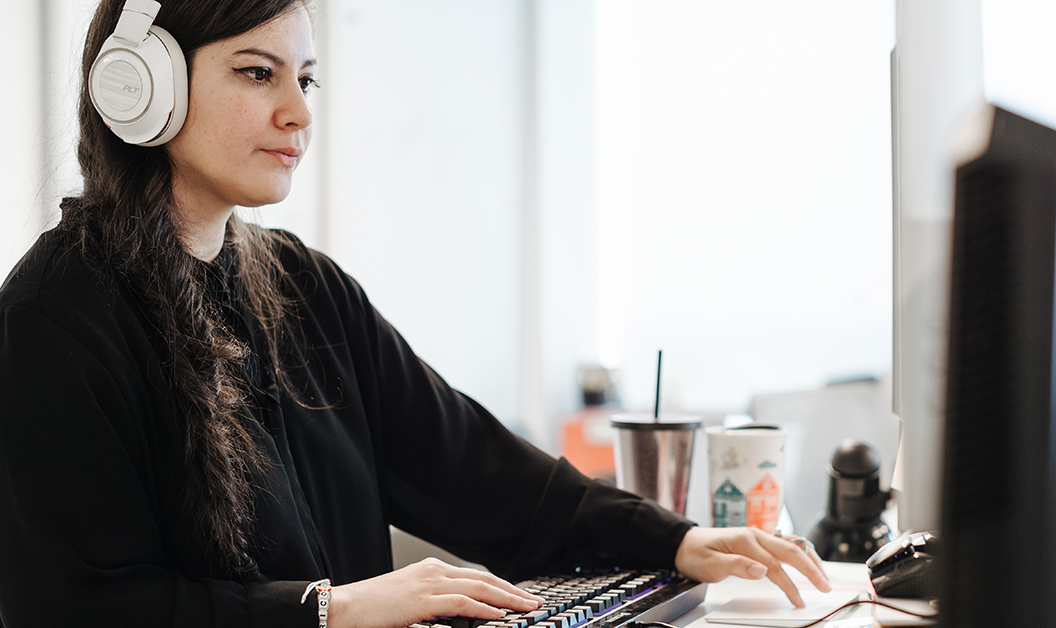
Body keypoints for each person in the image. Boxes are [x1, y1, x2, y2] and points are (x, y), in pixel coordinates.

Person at [0, 1, 831, 626]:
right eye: (259, 73)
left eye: (307, 77)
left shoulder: (302, 286)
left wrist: (670, 541)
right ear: (139, 90)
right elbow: (79, 607)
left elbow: (466, 463)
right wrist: (332, 610)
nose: (300, 112)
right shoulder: (53, 320)